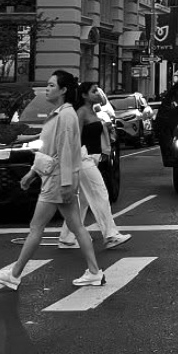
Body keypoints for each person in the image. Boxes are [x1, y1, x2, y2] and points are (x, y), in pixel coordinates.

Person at [0, 69, 104, 291]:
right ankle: (94, 271)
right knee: (76, 226)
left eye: (52, 85)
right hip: (59, 178)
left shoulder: (66, 115)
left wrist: (66, 183)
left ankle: (14, 274)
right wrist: (33, 173)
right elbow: (50, 150)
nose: (47, 89)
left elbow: (66, 151)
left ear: (63, 90)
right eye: (48, 85)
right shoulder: (60, 114)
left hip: (58, 180)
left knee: (37, 226)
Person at [57, 81, 131, 251]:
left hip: (92, 158)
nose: (98, 93)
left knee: (82, 201)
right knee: (100, 194)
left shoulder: (94, 110)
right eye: (94, 91)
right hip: (83, 159)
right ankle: (110, 235)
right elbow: (74, 137)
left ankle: (67, 237)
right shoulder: (82, 112)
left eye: (98, 90)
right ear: (84, 95)